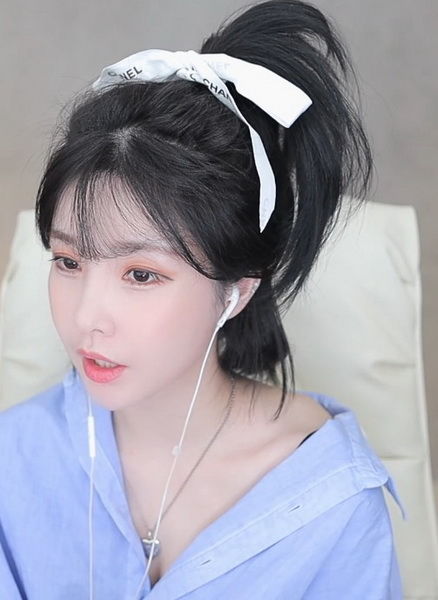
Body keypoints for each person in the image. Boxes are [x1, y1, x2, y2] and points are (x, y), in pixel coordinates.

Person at [0, 0, 407, 598]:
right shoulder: (14, 461)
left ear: (236, 291)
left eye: (141, 275)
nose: (85, 317)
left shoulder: (330, 498)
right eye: (68, 262)